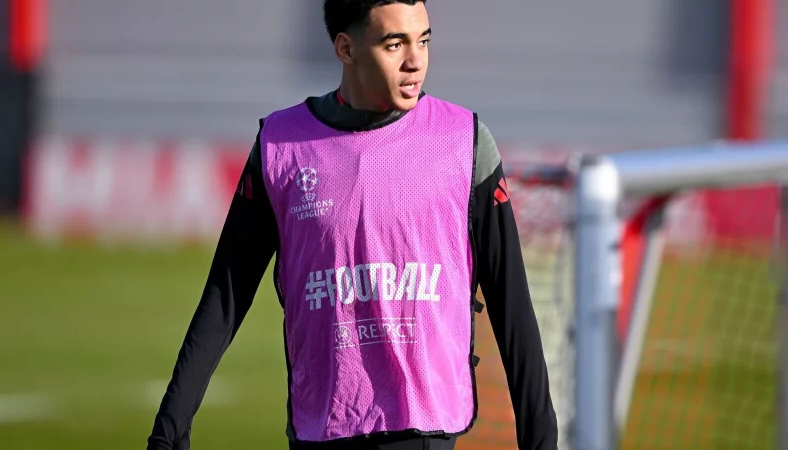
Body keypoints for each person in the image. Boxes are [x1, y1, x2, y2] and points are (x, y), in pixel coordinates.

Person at [146, 1, 558, 449]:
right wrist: (169, 429)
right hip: (321, 426)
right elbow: (226, 296)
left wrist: (540, 441)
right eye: (393, 43)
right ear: (346, 48)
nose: (415, 60)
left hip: (422, 428)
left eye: (423, 40)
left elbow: (512, 305)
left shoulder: (464, 141)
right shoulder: (281, 147)